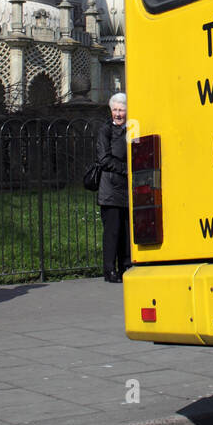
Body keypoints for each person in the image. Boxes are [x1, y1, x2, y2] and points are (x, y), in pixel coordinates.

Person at [96, 92, 130, 283]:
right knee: (112, 230)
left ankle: (125, 266)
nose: (118, 114)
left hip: (127, 187)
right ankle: (109, 269)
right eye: (115, 110)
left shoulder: (132, 128)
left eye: (121, 110)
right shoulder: (105, 130)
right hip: (109, 188)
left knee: (126, 229)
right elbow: (103, 158)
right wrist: (126, 169)